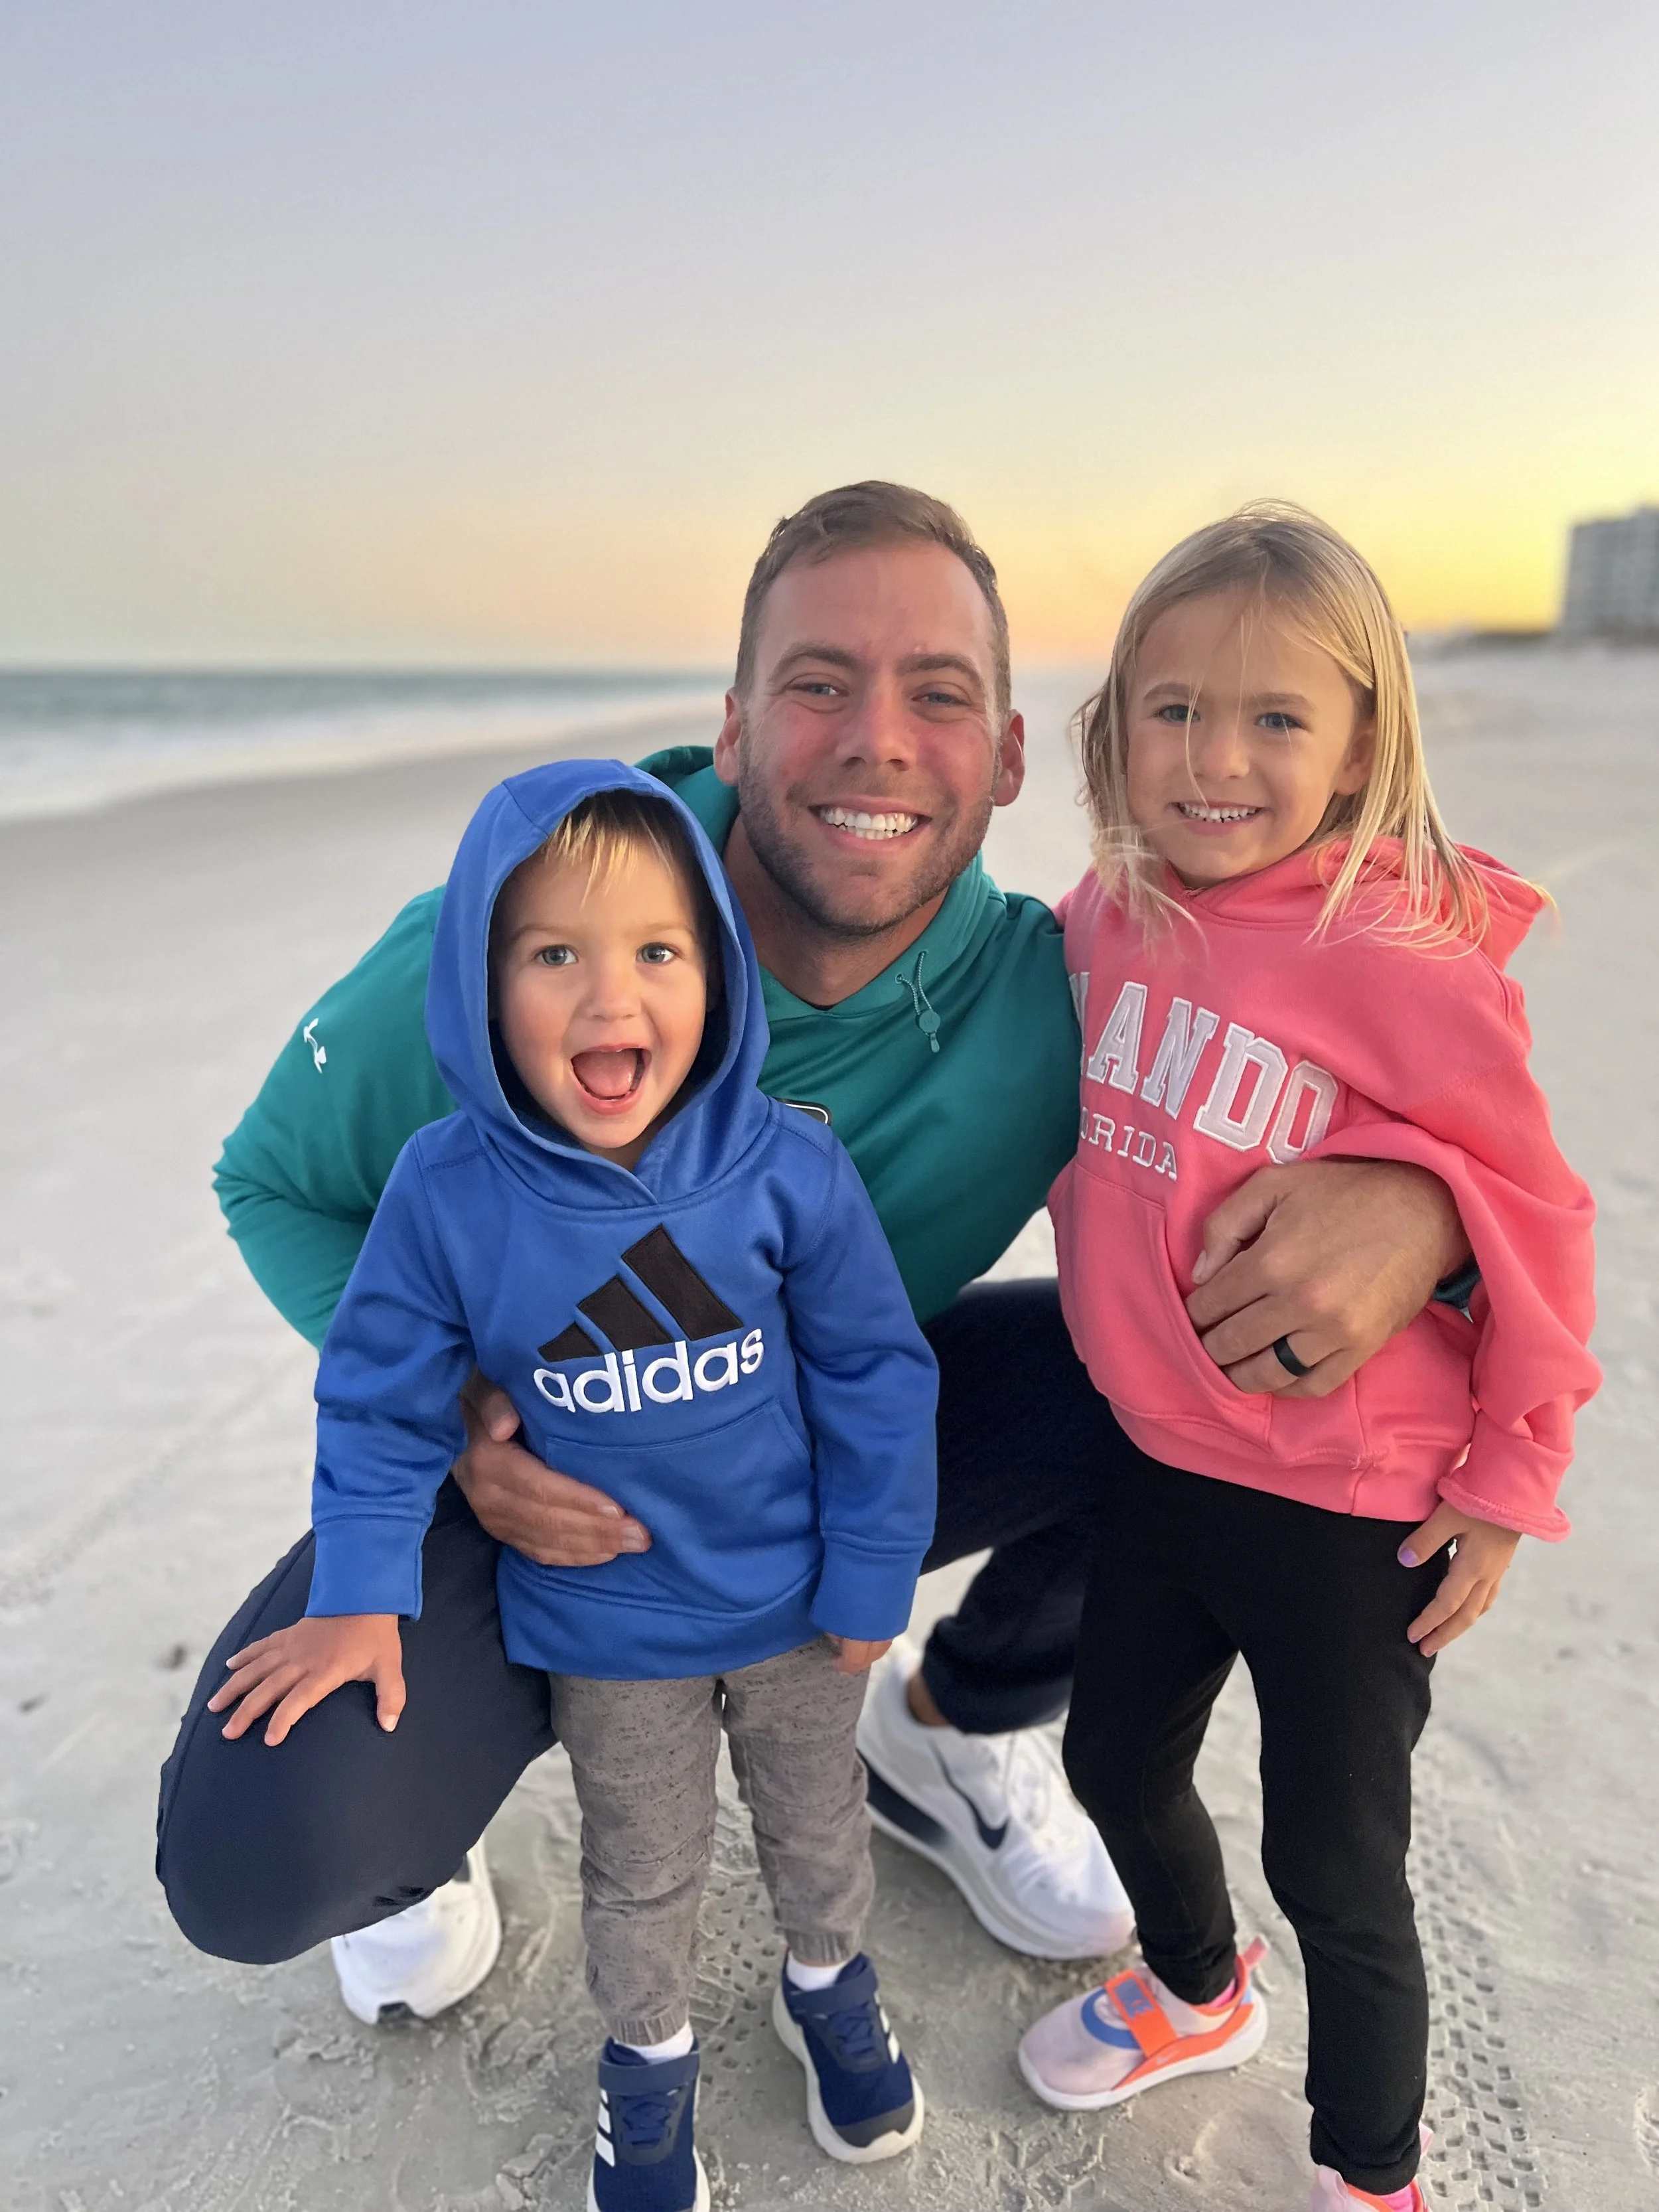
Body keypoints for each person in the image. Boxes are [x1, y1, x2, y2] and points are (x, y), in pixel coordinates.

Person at [157, 482, 1473, 2025]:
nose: (878, 738)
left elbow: (1348, 1115)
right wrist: (452, 1424)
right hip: (540, 1484)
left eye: (939, 693)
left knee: (1169, 1374)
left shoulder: (1063, 1003)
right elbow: (271, 1183)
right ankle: (414, 1837)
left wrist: (1425, 1210)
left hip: (819, 1463)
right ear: (731, 727)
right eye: (816, 684)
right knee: (263, 1856)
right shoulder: (532, 932)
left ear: (1006, 753)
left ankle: (958, 1721)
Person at [209, 761, 939, 2210]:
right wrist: (362, 1591)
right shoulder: (444, 1190)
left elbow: (873, 1369)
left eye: (657, 953)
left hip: (793, 1604)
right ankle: (647, 2061)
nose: (613, 1002)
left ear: (715, 972)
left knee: (814, 1826)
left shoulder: (786, 1166)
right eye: (554, 955)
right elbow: (376, 1392)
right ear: (483, 985)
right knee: (642, 1870)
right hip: (608, 1636)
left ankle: (827, 1985)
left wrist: (872, 1566)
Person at [1015, 506, 1600, 2211]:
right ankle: (1196, 1988)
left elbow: (1530, 1213)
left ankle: (1372, 2176)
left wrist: (1510, 1478)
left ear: (1359, 747)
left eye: (1276, 718)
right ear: (1112, 724)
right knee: (1110, 1757)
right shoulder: (1101, 917)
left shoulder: (1389, 951)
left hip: (1355, 1510)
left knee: (1336, 1862)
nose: (1213, 758)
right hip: (1159, 1465)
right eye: (1172, 706)